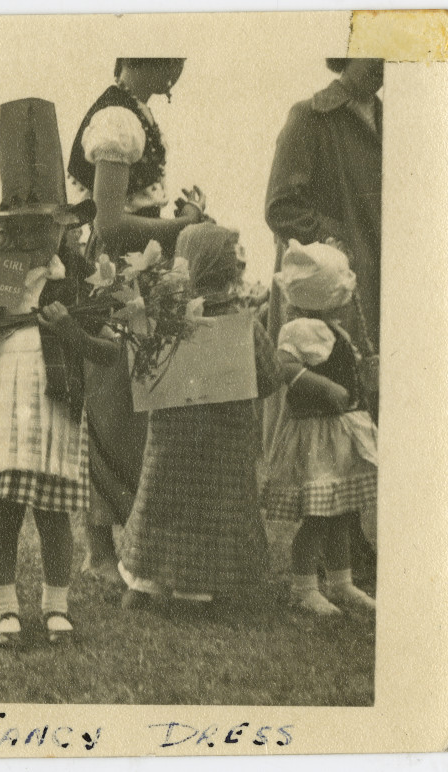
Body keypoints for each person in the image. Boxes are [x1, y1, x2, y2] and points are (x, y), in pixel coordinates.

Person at [0, 211, 117, 646]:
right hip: (3, 399)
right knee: (5, 510)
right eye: (19, 225)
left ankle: (56, 606)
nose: (31, 236)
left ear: (64, 226)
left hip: (56, 403)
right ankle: (4, 608)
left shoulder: (78, 278)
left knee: (54, 512)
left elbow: (109, 351)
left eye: (43, 225)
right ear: (4, 228)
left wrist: (71, 331)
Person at [65, 57, 210, 585]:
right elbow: (110, 222)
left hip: (139, 270)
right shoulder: (117, 122)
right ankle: (98, 550)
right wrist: (180, 228)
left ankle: (139, 540)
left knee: (145, 403)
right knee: (110, 404)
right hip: (114, 270)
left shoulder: (136, 114)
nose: (173, 72)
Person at [118, 223, 280, 612]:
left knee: (161, 504)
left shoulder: (162, 324)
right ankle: (199, 591)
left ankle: (145, 582)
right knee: (215, 507)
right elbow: (271, 378)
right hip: (224, 443)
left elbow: (141, 376)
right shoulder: (245, 325)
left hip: (171, 443)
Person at [262, 241, 377, 616]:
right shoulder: (301, 329)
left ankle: (341, 581)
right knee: (317, 515)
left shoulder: (333, 328)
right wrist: (326, 387)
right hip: (317, 435)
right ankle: (303, 585)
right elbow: (285, 366)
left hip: (339, 432)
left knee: (342, 511)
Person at [265, 58, 382, 418]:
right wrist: (336, 243)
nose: (380, 60)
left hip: (385, 290)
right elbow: (280, 207)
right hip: (329, 297)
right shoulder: (310, 117)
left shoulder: (397, 121)